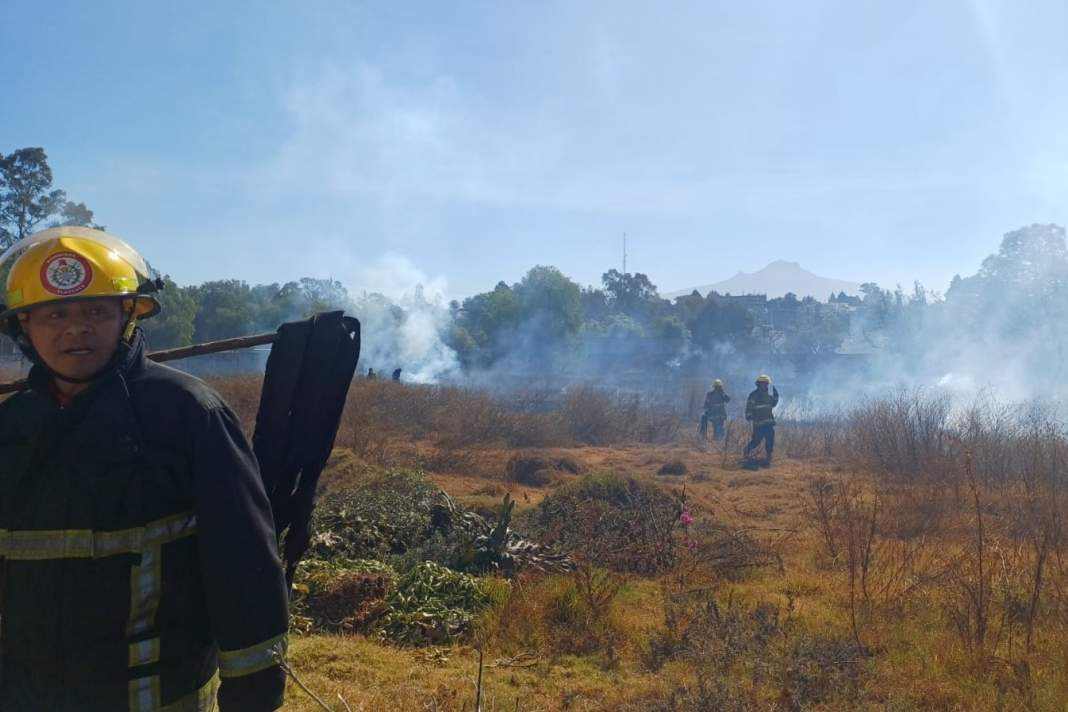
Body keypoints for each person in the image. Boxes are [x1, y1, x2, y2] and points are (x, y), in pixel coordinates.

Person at [0, 227, 289, 711]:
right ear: (24, 327)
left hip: (153, 698)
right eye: (55, 314)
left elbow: (244, 567)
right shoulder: (9, 429)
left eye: (96, 310)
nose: (76, 328)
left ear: (127, 316)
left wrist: (254, 693)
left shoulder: (190, 415)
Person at [744, 374, 779, 467]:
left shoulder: (768, 396)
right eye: (763, 384)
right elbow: (749, 407)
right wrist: (748, 416)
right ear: (759, 384)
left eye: (766, 384)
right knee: (756, 440)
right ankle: (747, 450)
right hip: (758, 424)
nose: (765, 385)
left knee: (770, 439)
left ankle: (768, 457)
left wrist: (776, 396)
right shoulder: (753, 395)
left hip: (768, 423)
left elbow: (773, 403)